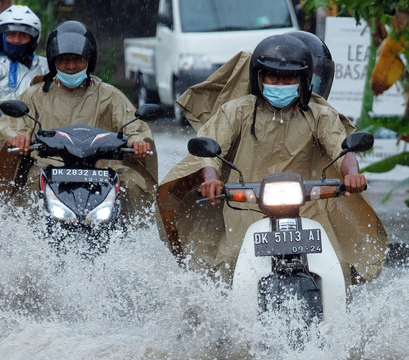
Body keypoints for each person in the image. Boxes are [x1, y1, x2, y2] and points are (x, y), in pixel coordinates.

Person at [156, 33, 387, 286]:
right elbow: (214, 147)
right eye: (272, 76)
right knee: (229, 266)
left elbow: (341, 147)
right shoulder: (237, 110)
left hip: (307, 208)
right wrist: (211, 179)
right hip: (246, 206)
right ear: (258, 78)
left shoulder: (320, 114)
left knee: (337, 268)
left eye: (289, 77)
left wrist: (351, 173)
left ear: (303, 80)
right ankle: (224, 324)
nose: (280, 83)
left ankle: (338, 324)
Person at [0, 21, 157, 223]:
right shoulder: (36, 95)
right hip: (47, 170)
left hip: (101, 171)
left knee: (134, 183)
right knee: (26, 189)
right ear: (53, 60)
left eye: (77, 59)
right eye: (64, 60)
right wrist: (17, 138)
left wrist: (138, 141)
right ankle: (21, 237)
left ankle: (130, 236)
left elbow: (134, 124)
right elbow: (13, 124)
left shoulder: (109, 95)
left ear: (89, 60)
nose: (71, 66)